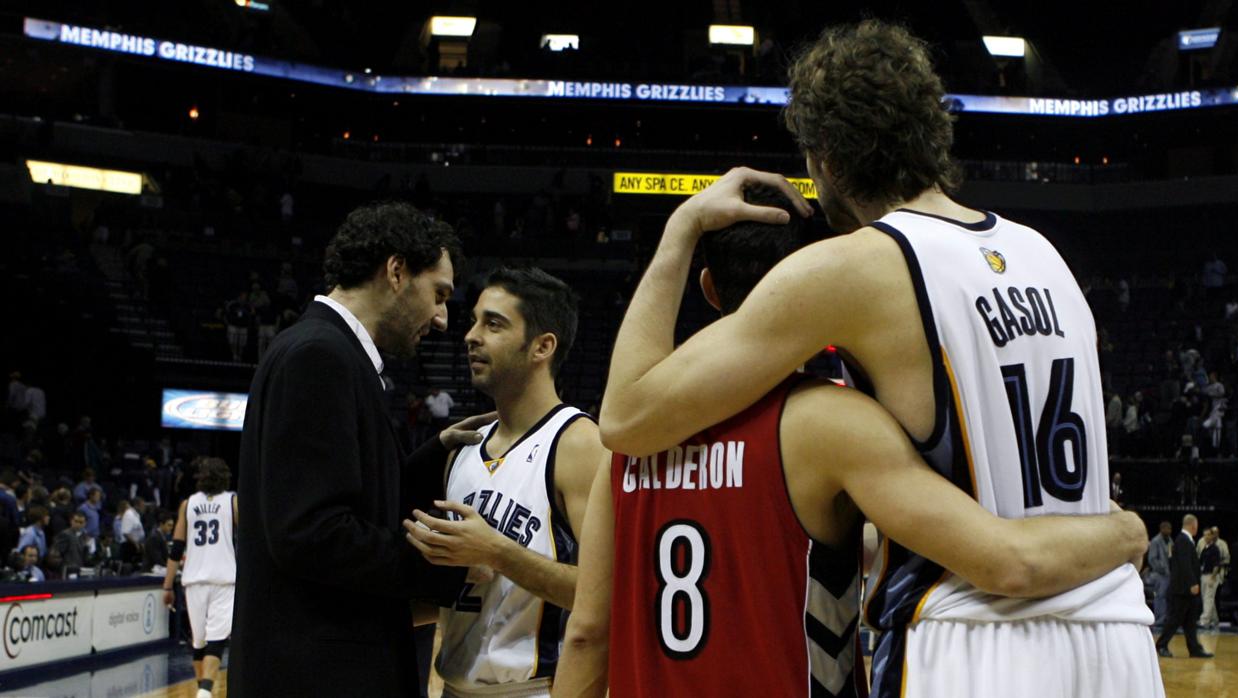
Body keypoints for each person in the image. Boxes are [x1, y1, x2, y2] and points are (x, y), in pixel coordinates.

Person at [596, 21, 1161, 697]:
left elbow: (627, 416)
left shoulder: (857, 265)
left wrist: (680, 227)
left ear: (825, 161)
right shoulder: (1046, 255)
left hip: (979, 636)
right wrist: (1125, 533)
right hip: (1116, 630)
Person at [553, 187, 1149, 697]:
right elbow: (998, 557)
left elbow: (585, 633)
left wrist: (681, 227)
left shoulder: (623, 448)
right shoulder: (831, 423)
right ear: (817, 280)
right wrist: (1122, 531)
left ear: (708, 288)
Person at [230, 201, 488, 698]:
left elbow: (344, 491)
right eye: (438, 294)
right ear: (395, 271)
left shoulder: (325, 350)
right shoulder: (319, 356)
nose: (441, 319)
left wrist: (432, 453)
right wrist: (446, 565)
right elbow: (312, 533)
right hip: (317, 676)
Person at [405, 268, 607, 697]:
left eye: (493, 324)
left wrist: (496, 551)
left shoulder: (578, 445)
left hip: (533, 689)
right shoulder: (461, 448)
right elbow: (457, 597)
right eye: (475, 321)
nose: (471, 336)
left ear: (542, 346)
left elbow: (603, 597)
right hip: (453, 687)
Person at [164, 459, 237, 698]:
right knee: (216, 639)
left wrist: (167, 585)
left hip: (194, 578)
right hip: (224, 577)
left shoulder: (188, 504)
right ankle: (205, 691)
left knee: (199, 641)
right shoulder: (232, 502)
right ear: (225, 477)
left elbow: (177, 548)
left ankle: (202, 691)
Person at [1156, 514, 1213, 657]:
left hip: (1185, 590)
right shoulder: (1183, 540)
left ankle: (1194, 649)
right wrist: (1192, 583)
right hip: (1182, 590)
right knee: (1175, 619)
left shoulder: (1185, 540)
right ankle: (1161, 645)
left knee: (1190, 622)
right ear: (1193, 525)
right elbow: (1184, 565)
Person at [1146, 521, 1173, 626]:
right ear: (1162, 529)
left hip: (1168, 575)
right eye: (1167, 529)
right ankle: (1159, 619)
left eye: (1170, 529)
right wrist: (1162, 569)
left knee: (1166, 597)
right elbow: (1152, 559)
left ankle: (1165, 618)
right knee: (1160, 596)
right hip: (1159, 575)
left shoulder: (1170, 541)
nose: (1169, 531)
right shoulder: (1155, 541)